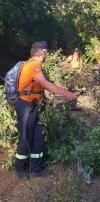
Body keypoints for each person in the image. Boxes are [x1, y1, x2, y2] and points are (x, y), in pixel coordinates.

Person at [14, 41, 76, 180]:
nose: (47, 54)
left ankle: (35, 169)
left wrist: (45, 100)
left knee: (38, 138)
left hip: (32, 106)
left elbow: (36, 88)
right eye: (46, 52)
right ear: (42, 52)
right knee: (26, 137)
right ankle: (20, 169)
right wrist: (67, 93)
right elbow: (45, 84)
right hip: (25, 106)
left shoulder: (33, 66)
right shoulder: (33, 65)